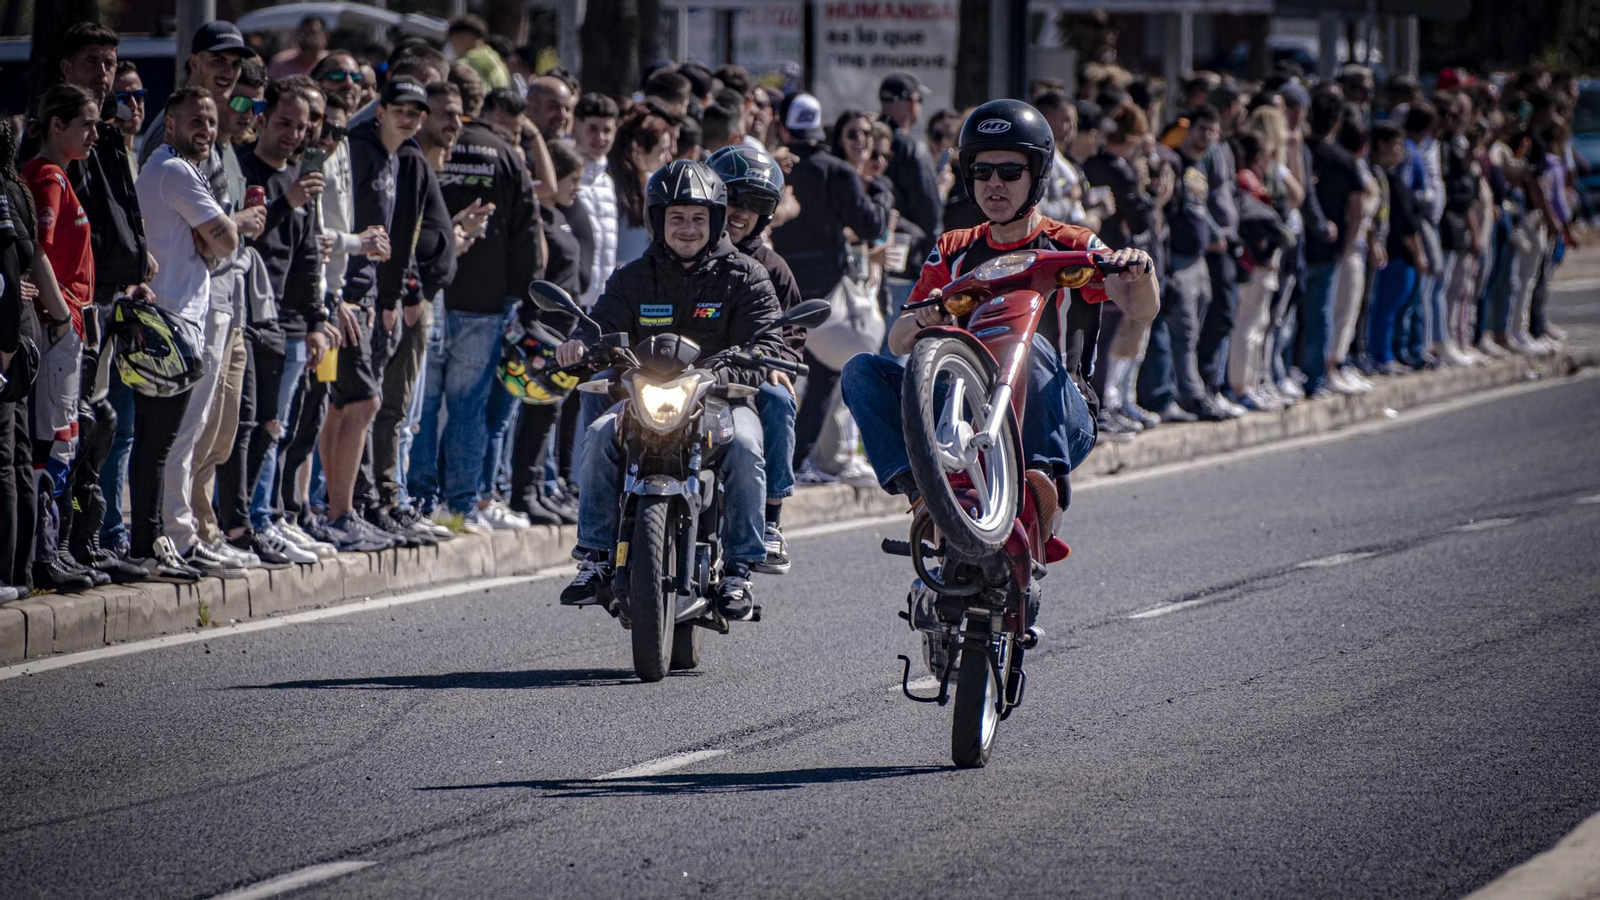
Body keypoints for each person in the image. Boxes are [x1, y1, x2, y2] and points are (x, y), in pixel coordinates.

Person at [840, 98, 1158, 607]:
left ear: (1038, 176)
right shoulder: (953, 248)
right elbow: (900, 340)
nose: (994, 184)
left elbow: (1140, 308)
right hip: (963, 412)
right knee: (861, 372)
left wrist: (1139, 270)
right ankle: (928, 500)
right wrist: (925, 317)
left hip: (1060, 413)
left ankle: (1038, 486)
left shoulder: (1072, 242)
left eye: (1011, 170)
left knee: (1030, 350)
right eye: (981, 170)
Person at [554, 160, 783, 620]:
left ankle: (739, 569)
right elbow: (602, 326)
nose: (687, 228)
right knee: (600, 434)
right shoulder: (632, 277)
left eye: (699, 218)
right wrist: (582, 343)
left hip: (721, 398)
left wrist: (756, 360)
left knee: (745, 445)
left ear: (716, 221)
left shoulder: (745, 276)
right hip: (644, 399)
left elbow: (769, 337)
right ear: (657, 221)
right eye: (676, 217)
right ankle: (595, 557)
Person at [408, 78, 535, 533]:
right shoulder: (502, 152)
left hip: (431, 294)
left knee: (423, 406)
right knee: (468, 408)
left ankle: (420, 501)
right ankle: (462, 502)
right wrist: (521, 298)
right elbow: (528, 233)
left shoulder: (415, 148)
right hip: (481, 301)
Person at [132, 86, 240, 582]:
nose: (206, 128)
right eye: (195, 119)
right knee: (170, 440)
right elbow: (229, 239)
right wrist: (213, 233)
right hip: (170, 323)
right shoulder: (173, 168)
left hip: (181, 321)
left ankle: (173, 536)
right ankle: (172, 537)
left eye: (212, 121)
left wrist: (211, 234)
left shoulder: (185, 169)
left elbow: (219, 240)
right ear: (170, 124)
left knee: (180, 437)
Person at [319, 77, 429, 551]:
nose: (409, 118)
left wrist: (386, 299)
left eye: (416, 112)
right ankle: (338, 512)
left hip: (363, 298)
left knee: (348, 404)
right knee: (357, 402)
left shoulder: (394, 157)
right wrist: (343, 296)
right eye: (400, 108)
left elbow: (392, 240)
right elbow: (334, 226)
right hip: (342, 297)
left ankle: (336, 510)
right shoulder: (360, 149)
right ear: (379, 111)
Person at [770, 92, 890, 476]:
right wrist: (883, 194)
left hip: (773, 287)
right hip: (824, 293)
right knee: (823, 377)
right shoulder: (837, 171)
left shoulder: (774, 168)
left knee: (782, 377)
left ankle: (787, 462)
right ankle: (793, 462)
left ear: (784, 125)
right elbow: (872, 224)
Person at [707, 145, 804, 574]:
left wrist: (776, 363)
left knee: (780, 400)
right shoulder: (687, 253)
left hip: (750, 377)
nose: (739, 213)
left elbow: (792, 334)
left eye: (752, 205)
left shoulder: (775, 268)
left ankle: (770, 518)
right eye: (731, 199)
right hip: (688, 376)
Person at [23, 84, 101, 592]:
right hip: (60, 326)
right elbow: (39, 251)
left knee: (67, 437)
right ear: (56, 126)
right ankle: (43, 555)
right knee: (52, 442)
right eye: (86, 124)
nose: (95, 134)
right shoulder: (47, 176)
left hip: (72, 323)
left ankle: (56, 547)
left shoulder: (62, 176)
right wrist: (58, 315)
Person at [1137, 104, 1228, 422]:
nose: (1206, 135)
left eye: (1212, 130)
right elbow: (1164, 213)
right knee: (1183, 331)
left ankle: (1186, 390)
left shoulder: (1204, 166)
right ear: (1189, 129)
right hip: (1176, 259)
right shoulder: (1174, 159)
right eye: (1201, 128)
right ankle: (1189, 395)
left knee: (1196, 329)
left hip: (1199, 258)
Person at [0, 118, 41, 599]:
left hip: (10, 337)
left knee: (9, 456)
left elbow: (13, 267)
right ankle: (19, 572)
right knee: (14, 456)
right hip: (17, 329)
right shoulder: (16, 184)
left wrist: (8, 349)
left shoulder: (9, 189)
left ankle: (12, 572)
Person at [139, 21, 255, 167]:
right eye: (218, 61)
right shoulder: (174, 128)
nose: (229, 73)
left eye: (236, 64)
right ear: (194, 62)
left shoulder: (210, 129)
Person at [607, 106, 675, 263]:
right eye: (662, 150)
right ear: (640, 150)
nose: (669, 157)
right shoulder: (654, 189)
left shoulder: (609, 180)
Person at [572, 93, 619, 309]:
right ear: (576, 126)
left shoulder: (607, 182)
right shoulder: (565, 176)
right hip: (570, 300)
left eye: (607, 130)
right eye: (592, 128)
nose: (600, 137)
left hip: (599, 303)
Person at [447, 15, 510, 90]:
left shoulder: (464, 65)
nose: (452, 45)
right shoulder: (497, 60)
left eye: (453, 40)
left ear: (465, 39)